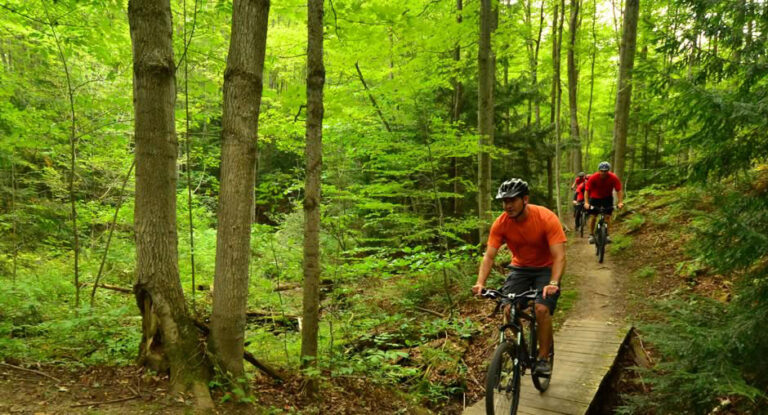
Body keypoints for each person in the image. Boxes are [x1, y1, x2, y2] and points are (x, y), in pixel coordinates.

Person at [472, 178, 567, 376]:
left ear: (525, 199)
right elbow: (489, 256)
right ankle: (521, 350)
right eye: (504, 201)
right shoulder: (501, 223)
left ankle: (542, 358)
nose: (507, 205)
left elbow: (559, 256)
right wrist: (480, 283)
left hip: (546, 268)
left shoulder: (545, 218)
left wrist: (553, 282)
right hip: (520, 268)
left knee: (541, 309)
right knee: (508, 309)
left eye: (512, 200)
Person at [584, 161, 624, 244]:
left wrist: (620, 202)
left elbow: (619, 190)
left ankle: (607, 235)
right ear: (599, 170)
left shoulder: (613, 177)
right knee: (593, 217)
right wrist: (586, 203)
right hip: (595, 198)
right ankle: (591, 234)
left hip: (607, 198)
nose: (603, 173)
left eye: (605, 171)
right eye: (601, 170)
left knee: (607, 217)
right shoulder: (593, 177)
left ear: (608, 171)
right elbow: (587, 191)